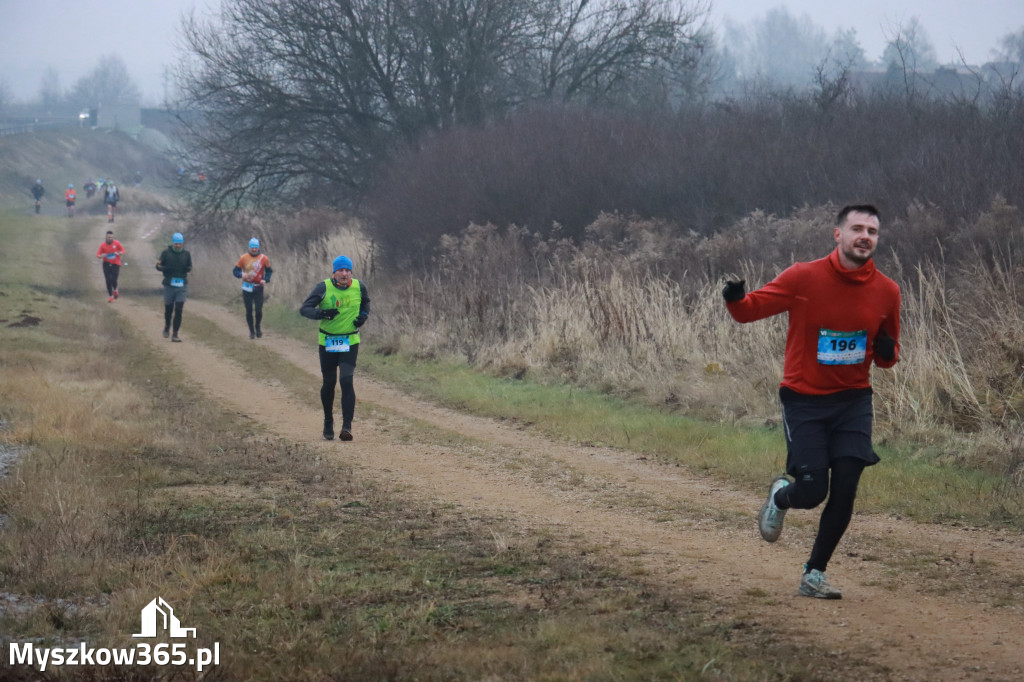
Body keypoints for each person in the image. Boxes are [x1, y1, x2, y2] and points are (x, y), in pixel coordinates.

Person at [722, 204, 901, 600]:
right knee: (812, 491)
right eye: (857, 228)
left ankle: (814, 573)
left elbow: (887, 358)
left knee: (846, 490)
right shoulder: (803, 276)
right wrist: (735, 299)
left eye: (872, 230)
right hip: (804, 401)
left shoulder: (888, 291)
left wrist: (888, 350)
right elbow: (749, 311)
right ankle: (780, 497)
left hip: (854, 400)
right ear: (837, 234)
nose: (865, 236)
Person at [300, 255, 370, 441]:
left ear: (351, 272)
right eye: (341, 270)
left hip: (350, 342)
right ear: (334, 272)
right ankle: (328, 421)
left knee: (347, 381)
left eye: (348, 270)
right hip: (328, 342)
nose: (344, 274)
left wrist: (363, 316)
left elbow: (366, 303)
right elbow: (304, 309)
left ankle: (347, 427)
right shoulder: (323, 288)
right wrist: (321, 313)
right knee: (329, 383)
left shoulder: (359, 286)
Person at [233, 237, 273, 339]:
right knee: (249, 310)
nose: (254, 249)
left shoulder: (263, 258)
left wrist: (266, 279)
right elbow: (235, 271)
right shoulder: (243, 258)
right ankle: (251, 331)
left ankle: (258, 327)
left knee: (259, 310)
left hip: (259, 287)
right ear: (249, 248)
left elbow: (269, 271)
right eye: (252, 248)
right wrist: (242, 275)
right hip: (247, 287)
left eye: (256, 248)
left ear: (258, 248)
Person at [155, 233, 193, 342]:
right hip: (169, 285)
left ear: (182, 243)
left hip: (181, 285)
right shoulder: (166, 253)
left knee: (179, 309)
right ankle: (167, 325)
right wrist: (166, 269)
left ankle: (175, 334)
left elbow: (190, 266)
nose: (178, 246)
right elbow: (158, 266)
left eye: (180, 243)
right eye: (176, 243)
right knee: (169, 309)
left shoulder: (186, 254)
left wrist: (187, 269)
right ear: (173, 243)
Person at [96, 230, 126, 302]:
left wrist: (119, 253)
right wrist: (101, 256)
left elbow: (123, 250)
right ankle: (111, 296)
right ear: (106, 237)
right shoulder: (103, 245)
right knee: (108, 280)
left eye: (111, 237)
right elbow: (98, 255)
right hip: (106, 263)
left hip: (116, 263)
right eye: (109, 237)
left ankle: (115, 290)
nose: (110, 239)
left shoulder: (117, 243)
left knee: (114, 279)